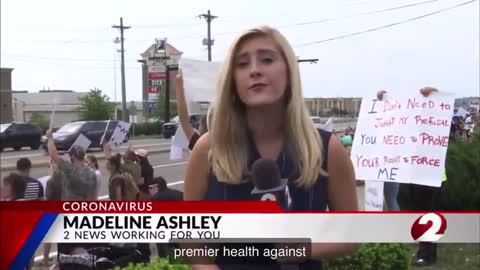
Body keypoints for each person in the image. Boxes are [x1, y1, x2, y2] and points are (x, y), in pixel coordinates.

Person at [184, 25, 358, 269]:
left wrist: (303, 249)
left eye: (266, 59)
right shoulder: (208, 150)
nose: (254, 70)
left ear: (288, 71)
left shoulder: (328, 148)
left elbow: (350, 235)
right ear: (232, 81)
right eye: (242, 64)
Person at [378, 86, 443, 265]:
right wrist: (384, 99)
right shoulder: (410, 129)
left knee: (428, 215)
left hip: (431, 176)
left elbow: (440, 108)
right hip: (414, 175)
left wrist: (434, 93)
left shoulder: (434, 126)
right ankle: (424, 251)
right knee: (421, 214)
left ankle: (427, 255)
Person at [46, 129, 97, 201]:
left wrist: (50, 138)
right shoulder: (92, 173)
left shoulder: (70, 170)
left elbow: (53, 154)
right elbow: (94, 195)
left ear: (72, 156)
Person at [149, 176, 183, 258]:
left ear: (155, 187)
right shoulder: (180, 194)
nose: (149, 191)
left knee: (165, 255)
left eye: (150, 188)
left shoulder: (155, 199)